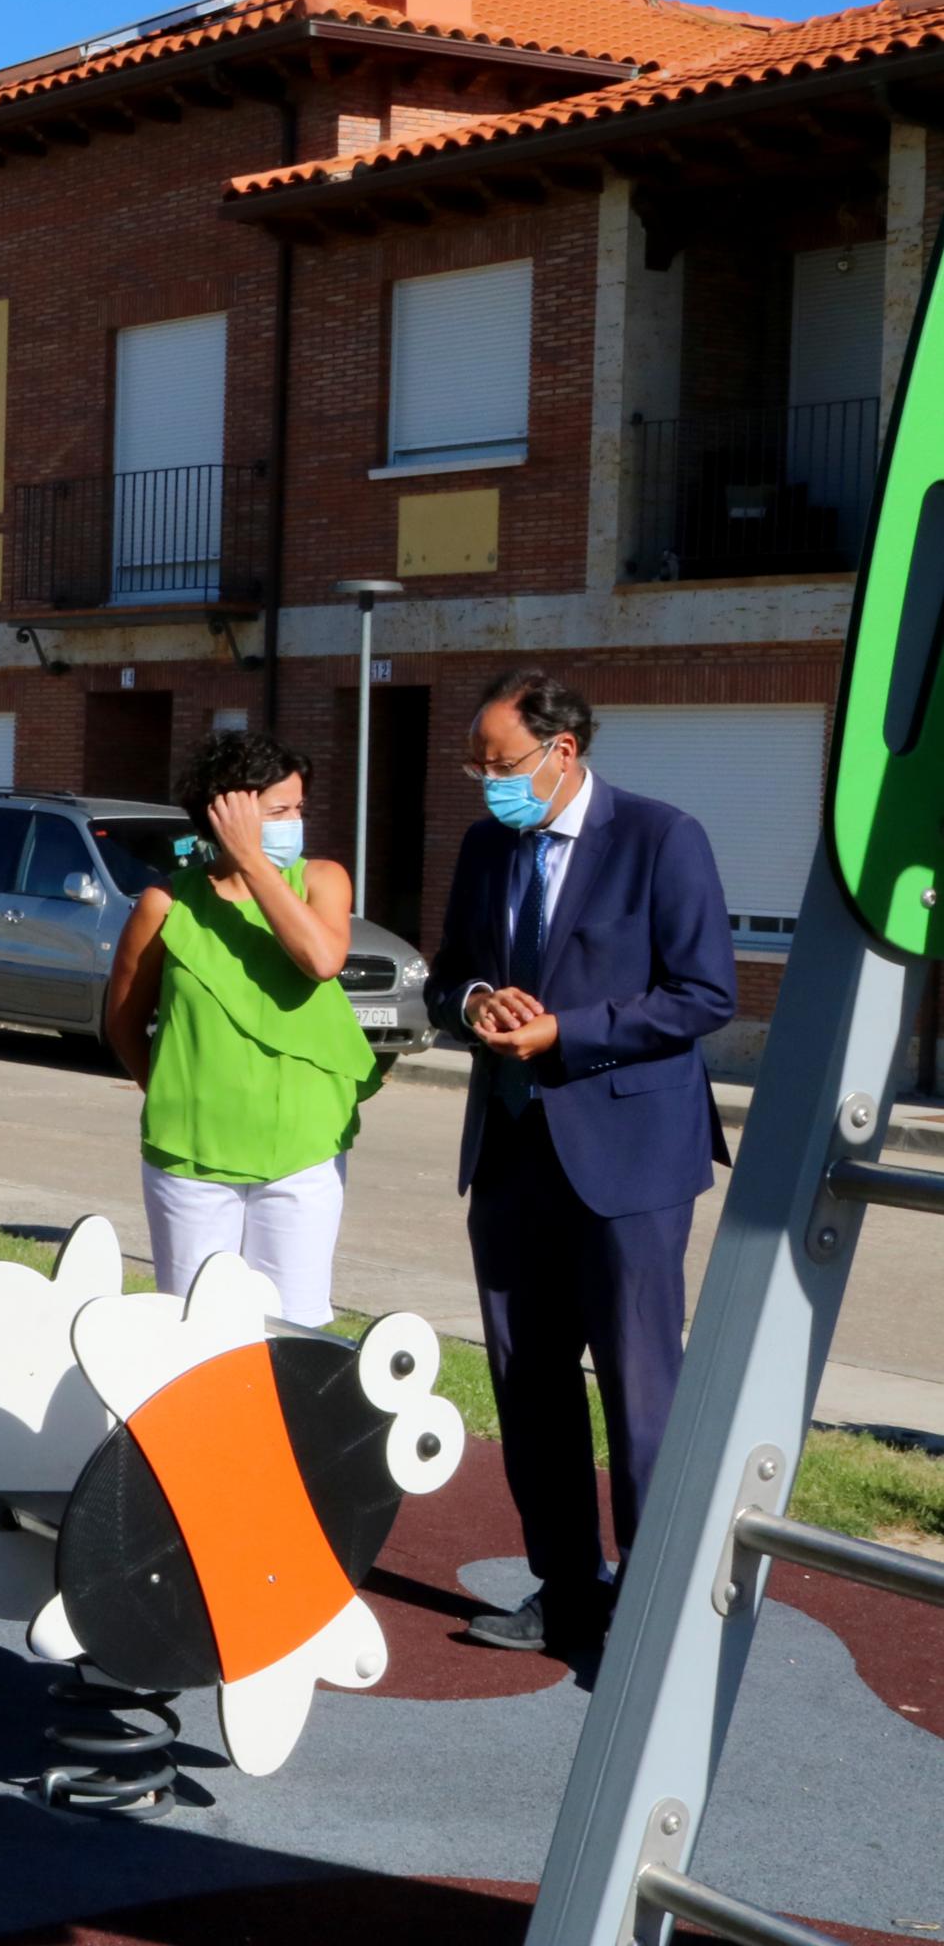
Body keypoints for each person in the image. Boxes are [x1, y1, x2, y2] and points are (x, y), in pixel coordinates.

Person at [426, 669, 734, 1656]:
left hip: (629, 1161)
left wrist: (567, 1031)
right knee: (530, 1384)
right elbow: (447, 977)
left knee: (641, 1390)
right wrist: (475, 1002)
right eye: (476, 766)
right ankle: (568, 1588)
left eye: (500, 764)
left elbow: (704, 994)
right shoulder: (486, 846)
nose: (487, 783)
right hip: (512, 1154)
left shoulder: (661, 837)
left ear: (563, 750)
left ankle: (653, 1611)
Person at [103, 731, 379, 1327]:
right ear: (224, 812)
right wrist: (174, 1089)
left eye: (298, 809)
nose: (293, 823)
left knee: (293, 1330)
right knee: (195, 1329)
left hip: (304, 1149)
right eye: (277, 812)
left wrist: (253, 862)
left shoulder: (322, 879)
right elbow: (122, 1018)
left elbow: (320, 959)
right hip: (190, 1154)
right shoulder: (166, 903)